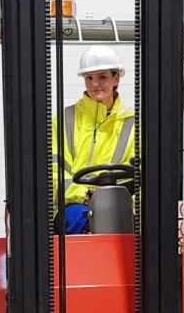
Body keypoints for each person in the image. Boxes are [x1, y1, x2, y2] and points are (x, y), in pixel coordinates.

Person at [54, 44, 137, 233]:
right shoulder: (65, 120)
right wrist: (85, 195)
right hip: (75, 204)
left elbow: (139, 174)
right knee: (80, 219)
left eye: (102, 77)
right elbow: (54, 172)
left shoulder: (133, 123)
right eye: (89, 78)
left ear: (116, 78)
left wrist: (114, 199)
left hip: (119, 204)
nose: (94, 84)